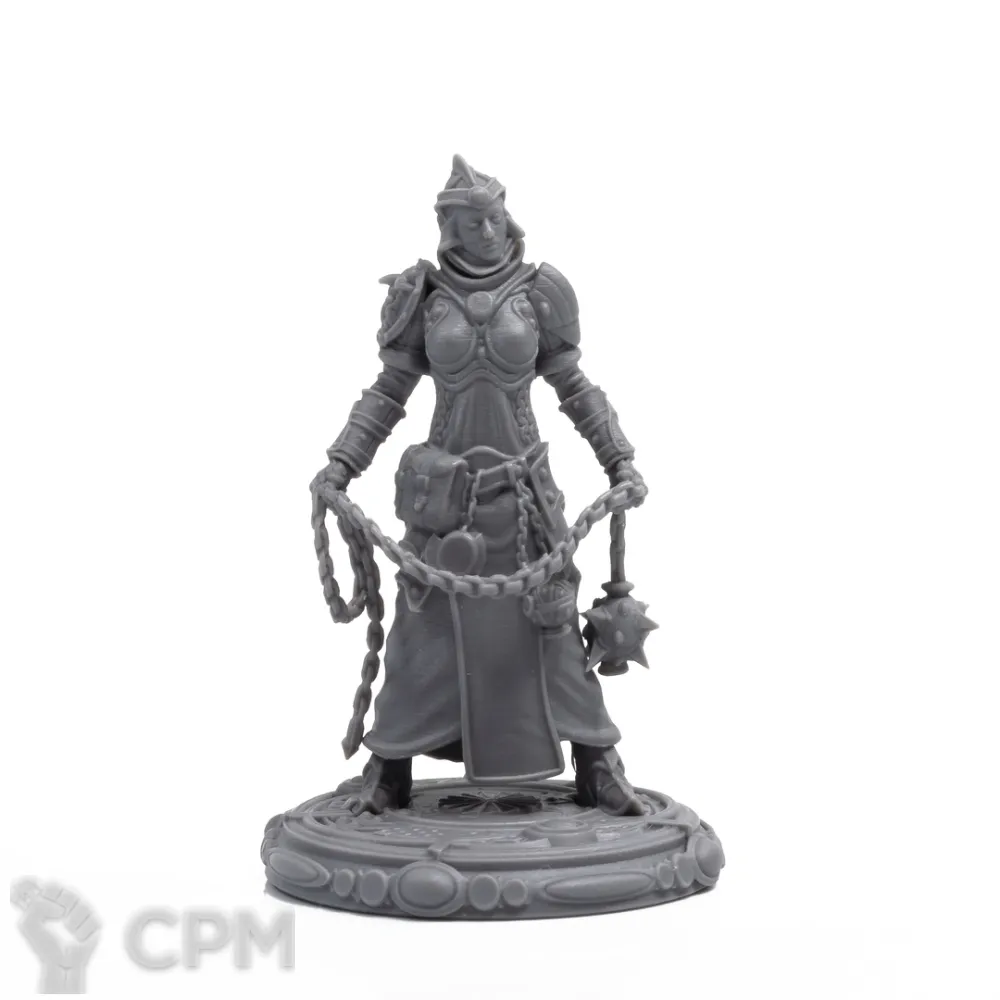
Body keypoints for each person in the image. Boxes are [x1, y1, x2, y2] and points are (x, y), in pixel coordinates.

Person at [313, 155, 648, 816]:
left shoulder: (542, 292)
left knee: (552, 632)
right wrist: (342, 463)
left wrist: (619, 459)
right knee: (422, 633)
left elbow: (574, 386)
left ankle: (597, 763)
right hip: (445, 500)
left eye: (493, 218)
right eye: (471, 223)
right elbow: (389, 391)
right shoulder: (423, 297)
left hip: (526, 498)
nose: (487, 232)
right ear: (449, 230)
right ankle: (389, 769)